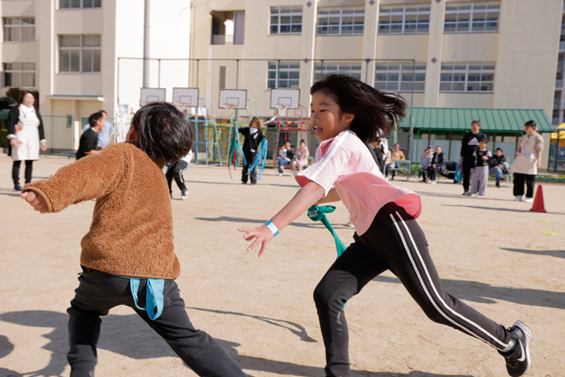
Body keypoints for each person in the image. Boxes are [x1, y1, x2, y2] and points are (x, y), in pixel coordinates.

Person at [238, 74, 531, 377]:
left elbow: (314, 188)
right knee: (327, 294)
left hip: (394, 228)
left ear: (347, 116)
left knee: (436, 306)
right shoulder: (331, 147)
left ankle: (510, 341)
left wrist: (271, 227)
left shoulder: (342, 143)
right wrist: (316, 201)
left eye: (322, 109)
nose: (314, 117)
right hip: (369, 238)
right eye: (311, 110)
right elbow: (335, 189)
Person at [20, 102, 246, 377]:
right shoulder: (158, 172)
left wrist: (50, 192)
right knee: (187, 337)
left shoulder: (123, 154)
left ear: (133, 132)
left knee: (84, 312)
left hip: (107, 271)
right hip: (155, 277)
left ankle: (82, 372)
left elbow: (87, 172)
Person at [6, 90, 47, 191]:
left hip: (33, 139)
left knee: (29, 163)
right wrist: (12, 137)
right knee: (17, 161)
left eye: (31, 98)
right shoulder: (16, 109)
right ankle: (16, 184)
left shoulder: (36, 111)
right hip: (19, 138)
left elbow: (40, 127)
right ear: (22, 98)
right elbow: (10, 123)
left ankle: (28, 184)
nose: (29, 100)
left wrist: (42, 141)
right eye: (27, 97)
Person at [511, 120, 544, 202]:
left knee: (529, 178)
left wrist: (539, 161)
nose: (525, 128)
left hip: (531, 159)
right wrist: (517, 151)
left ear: (533, 127)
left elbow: (539, 150)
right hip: (521, 159)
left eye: (527, 127)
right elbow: (519, 148)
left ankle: (529, 196)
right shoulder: (523, 137)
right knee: (518, 177)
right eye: (525, 126)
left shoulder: (538, 137)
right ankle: (518, 195)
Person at [460, 120, 487, 195]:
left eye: (475, 125)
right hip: (467, 156)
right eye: (472, 125)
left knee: (478, 174)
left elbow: (484, 146)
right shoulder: (467, 135)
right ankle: (466, 189)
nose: (473, 127)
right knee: (466, 173)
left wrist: (485, 155)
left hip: (478, 157)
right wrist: (461, 156)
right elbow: (463, 146)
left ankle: (477, 190)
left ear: (479, 126)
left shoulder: (482, 135)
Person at [239, 117, 264, 184]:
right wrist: (235, 129)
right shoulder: (247, 130)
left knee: (253, 166)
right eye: (253, 123)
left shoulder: (259, 131)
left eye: (255, 124)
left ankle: (253, 180)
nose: (254, 125)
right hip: (245, 151)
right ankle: (244, 180)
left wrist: (265, 140)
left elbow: (262, 138)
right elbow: (239, 130)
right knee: (245, 166)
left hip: (253, 152)